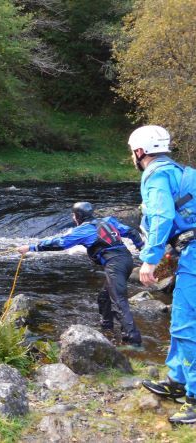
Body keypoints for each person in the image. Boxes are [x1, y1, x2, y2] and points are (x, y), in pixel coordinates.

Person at [130, 125, 196, 424]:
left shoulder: (155, 175)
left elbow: (162, 216)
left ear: (140, 152)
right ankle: (177, 381)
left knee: (188, 325)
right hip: (189, 251)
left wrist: (150, 259)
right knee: (181, 322)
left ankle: (193, 399)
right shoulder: (182, 171)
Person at [17, 201, 144, 346]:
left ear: (77, 216)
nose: (73, 217)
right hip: (126, 260)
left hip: (115, 264)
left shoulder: (83, 230)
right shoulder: (108, 221)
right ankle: (107, 329)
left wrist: (31, 247)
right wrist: (142, 250)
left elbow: (60, 243)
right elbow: (132, 232)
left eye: (73, 215)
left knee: (119, 302)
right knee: (104, 297)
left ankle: (133, 342)